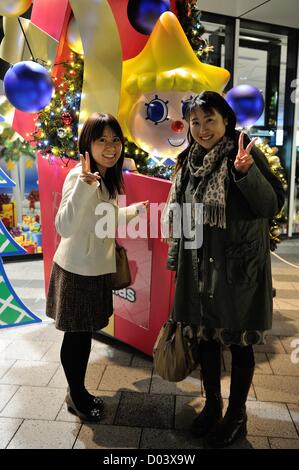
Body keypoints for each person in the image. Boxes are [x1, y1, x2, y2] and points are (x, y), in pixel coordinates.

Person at [162, 91, 285, 448]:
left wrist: (246, 175)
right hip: (200, 265)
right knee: (206, 339)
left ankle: (237, 415)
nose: (202, 129)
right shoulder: (188, 161)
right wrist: (177, 259)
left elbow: (272, 204)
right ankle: (213, 405)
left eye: (209, 120)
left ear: (226, 120)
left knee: (240, 341)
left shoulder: (244, 153)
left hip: (236, 267)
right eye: (195, 122)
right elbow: (182, 217)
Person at [46, 113, 148, 422]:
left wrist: (131, 212)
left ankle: (78, 391)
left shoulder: (106, 176)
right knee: (76, 337)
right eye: (101, 139)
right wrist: (84, 187)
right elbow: (63, 224)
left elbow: (103, 219)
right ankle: (77, 395)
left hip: (95, 269)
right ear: (87, 144)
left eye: (115, 140)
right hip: (77, 271)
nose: (110, 146)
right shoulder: (81, 177)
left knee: (84, 335)